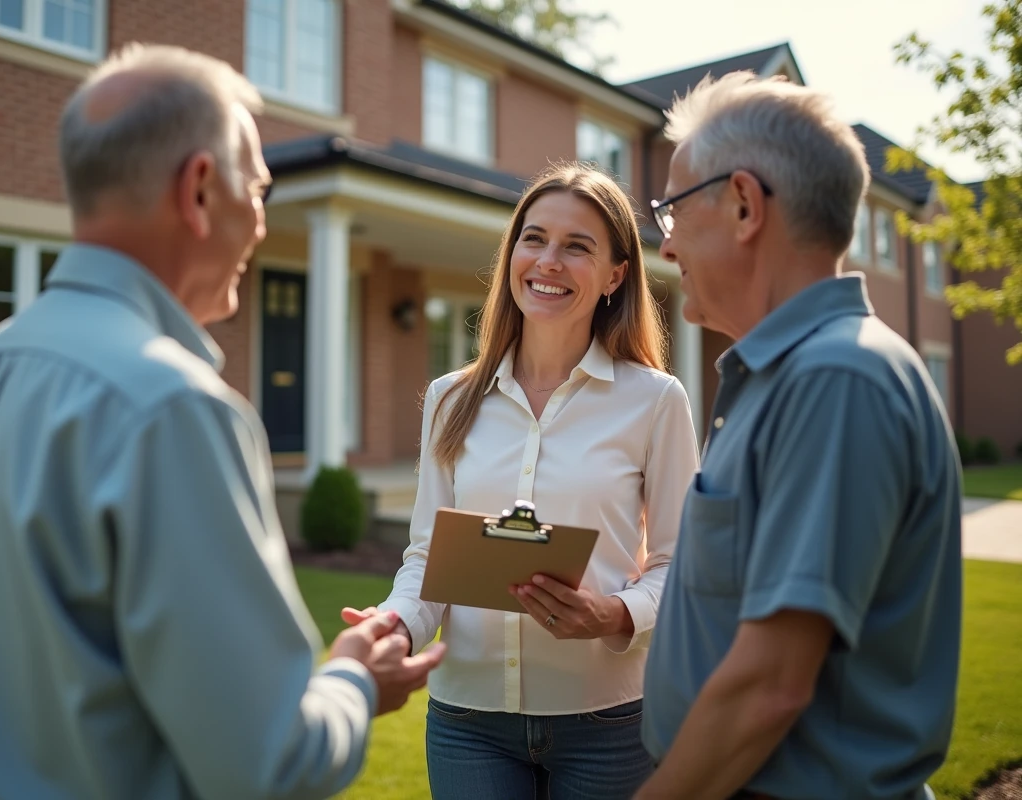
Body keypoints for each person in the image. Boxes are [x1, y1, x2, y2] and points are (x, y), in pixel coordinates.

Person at [0, 43, 444, 800]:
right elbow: (269, 762)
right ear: (199, 190)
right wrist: (357, 677)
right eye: (256, 190)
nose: (260, 223)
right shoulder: (172, 407)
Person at [636, 72, 962, 800]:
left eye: (672, 212)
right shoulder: (787, 377)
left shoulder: (835, 381)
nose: (666, 247)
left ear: (745, 205)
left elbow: (770, 687)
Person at [343, 162, 700, 799]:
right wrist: (394, 625)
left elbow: (682, 564)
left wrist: (614, 614)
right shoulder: (450, 399)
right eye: (533, 239)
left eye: (578, 247)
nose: (548, 261)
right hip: (467, 723)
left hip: (609, 722)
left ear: (617, 275)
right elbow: (428, 559)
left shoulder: (655, 401)